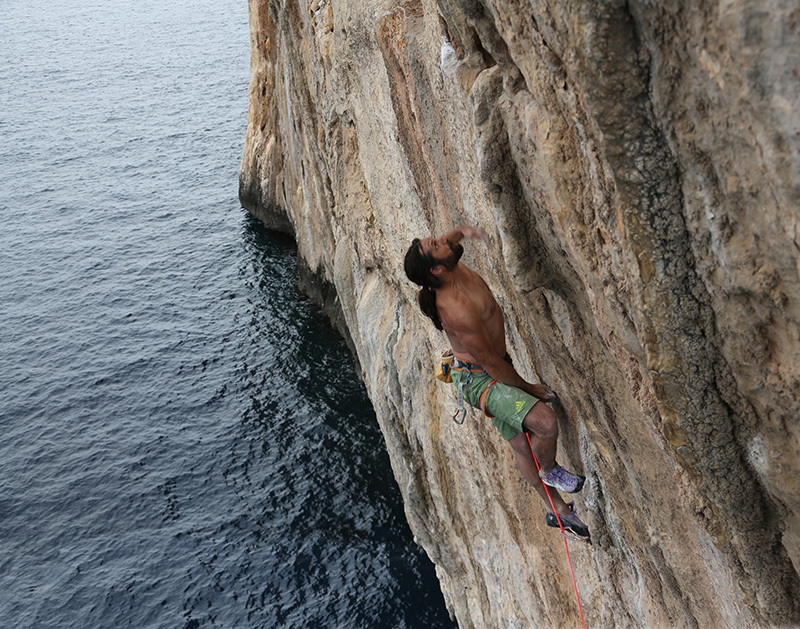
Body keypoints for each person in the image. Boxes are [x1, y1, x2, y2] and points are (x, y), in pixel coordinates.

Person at [404, 225, 590, 539]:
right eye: (437, 244)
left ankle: (555, 509)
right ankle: (549, 470)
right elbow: (490, 362)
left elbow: (451, 239)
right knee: (544, 423)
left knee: (520, 443)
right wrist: (529, 388)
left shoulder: (449, 266)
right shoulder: (455, 309)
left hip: (490, 369)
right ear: (437, 268)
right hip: (482, 380)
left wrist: (466, 231)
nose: (443, 240)